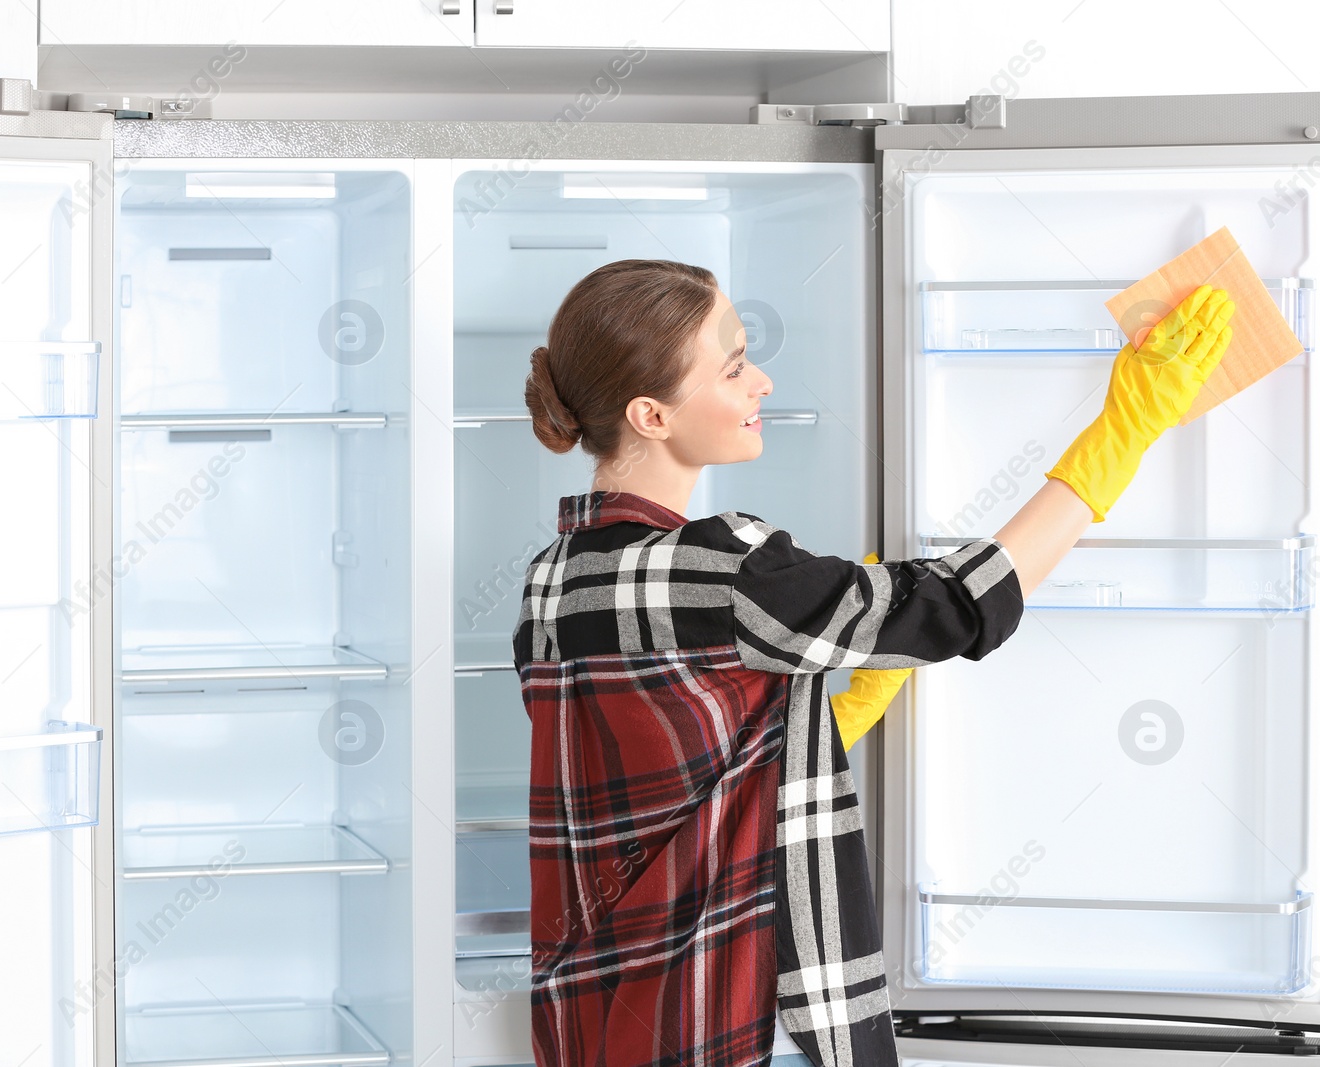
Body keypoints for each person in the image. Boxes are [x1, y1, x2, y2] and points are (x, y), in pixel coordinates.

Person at [513, 259, 1234, 1067]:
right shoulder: (726, 569)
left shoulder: (550, 579)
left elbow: (672, 770)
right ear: (651, 413)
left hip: (594, 1018)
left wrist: (821, 721)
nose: (762, 380)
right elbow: (954, 606)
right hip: (729, 1020)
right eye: (733, 365)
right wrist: (1122, 431)